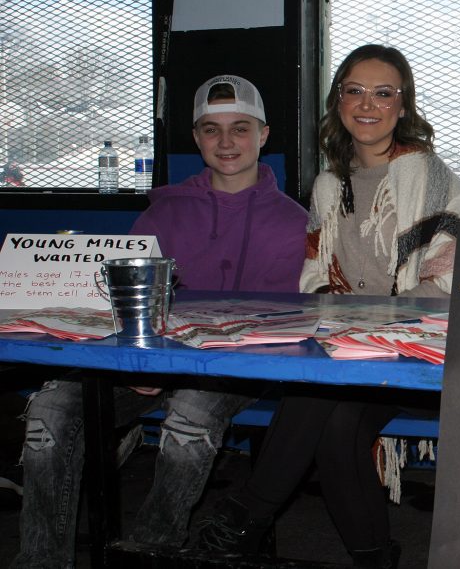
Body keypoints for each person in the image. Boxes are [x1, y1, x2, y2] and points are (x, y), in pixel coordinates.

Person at [194, 45, 460, 568]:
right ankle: (375, 557)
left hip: (424, 352)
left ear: (403, 105)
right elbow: (316, 282)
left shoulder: (426, 174)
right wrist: (349, 325)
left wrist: (373, 323)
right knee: (332, 425)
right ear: (339, 102)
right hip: (351, 349)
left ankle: (246, 516)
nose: (366, 104)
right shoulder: (329, 186)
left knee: (324, 404)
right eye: (354, 90)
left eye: (383, 93)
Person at [10, 75, 307, 569]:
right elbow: (122, 303)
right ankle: (40, 560)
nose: (227, 142)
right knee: (49, 409)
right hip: (147, 361)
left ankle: (149, 550)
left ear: (264, 134)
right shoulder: (163, 212)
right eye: (211, 130)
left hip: (235, 367)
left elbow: (275, 327)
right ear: (196, 138)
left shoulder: (296, 221)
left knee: (189, 417)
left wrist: (170, 366)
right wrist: (135, 362)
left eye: (240, 128)